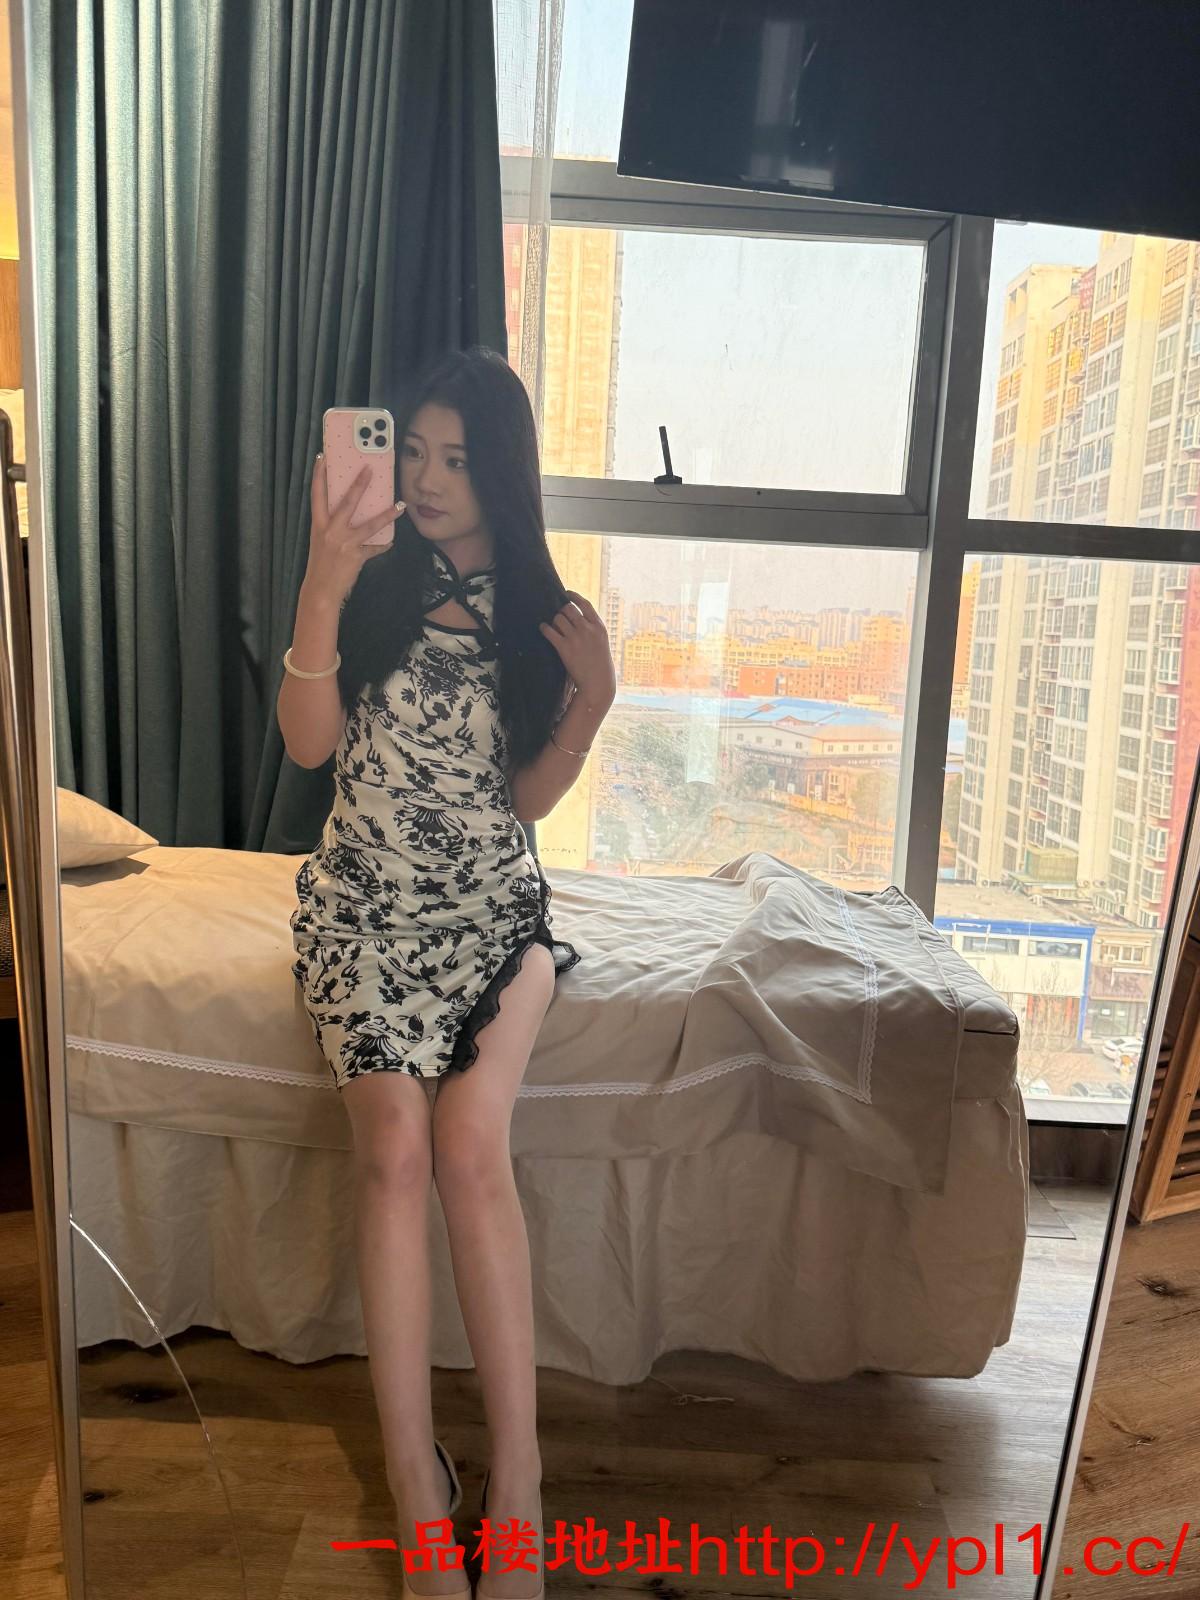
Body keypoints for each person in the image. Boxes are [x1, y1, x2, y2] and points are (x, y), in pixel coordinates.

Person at [278, 345, 616, 1599]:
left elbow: (524, 800)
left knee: (471, 1143)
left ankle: (518, 1481)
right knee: (393, 1150)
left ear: (501, 473)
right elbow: (309, 745)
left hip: (488, 919)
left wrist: (590, 705)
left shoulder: (541, 611)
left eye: (455, 460)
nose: (424, 479)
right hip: (363, 912)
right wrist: (322, 587)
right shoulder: (367, 583)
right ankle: (417, 1486)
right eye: (411, 451)